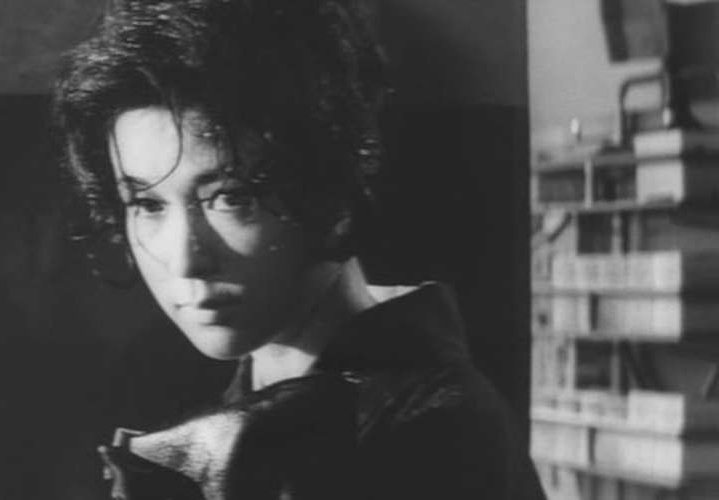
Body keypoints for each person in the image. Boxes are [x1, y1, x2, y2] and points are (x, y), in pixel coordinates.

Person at [52, 0, 545, 498]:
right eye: (147, 204)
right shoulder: (260, 407)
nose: (184, 260)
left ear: (331, 196)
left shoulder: (429, 433)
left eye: (231, 197)